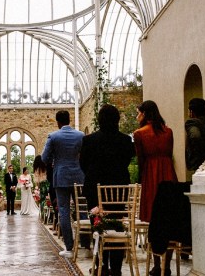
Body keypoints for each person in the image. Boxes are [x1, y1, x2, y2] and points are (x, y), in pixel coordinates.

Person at [80, 104, 135, 276]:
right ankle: (116, 267)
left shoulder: (89, 140)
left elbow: (83, 164)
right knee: (117, 225)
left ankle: (101, 265)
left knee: (97, 224)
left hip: (94, 188)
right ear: (117, 120)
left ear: (100, 120)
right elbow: (127, 160)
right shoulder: (126, 140)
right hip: (118, 189)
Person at [133, 100, 177, 276]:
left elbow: (141, 159)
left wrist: (144, 176)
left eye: (138, 113)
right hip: (168, 174)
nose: (137, 117)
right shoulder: (169, 131)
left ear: (144, 114)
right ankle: (167, 267)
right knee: (168, 220)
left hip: (151, 177)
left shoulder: (139, 133)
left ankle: (157, 265)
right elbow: (170, 154)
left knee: (154, 221)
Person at [41, 110, 85, 258]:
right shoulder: (80, 135)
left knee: (64, 210)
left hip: (61, 176)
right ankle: (85, 244)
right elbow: (85, 155)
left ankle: (69, 247)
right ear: (70, 119)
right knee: (82, 209)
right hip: (79, 176)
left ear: (58, 122)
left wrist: (55, 159)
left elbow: (44, 158)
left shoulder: (53, 136)